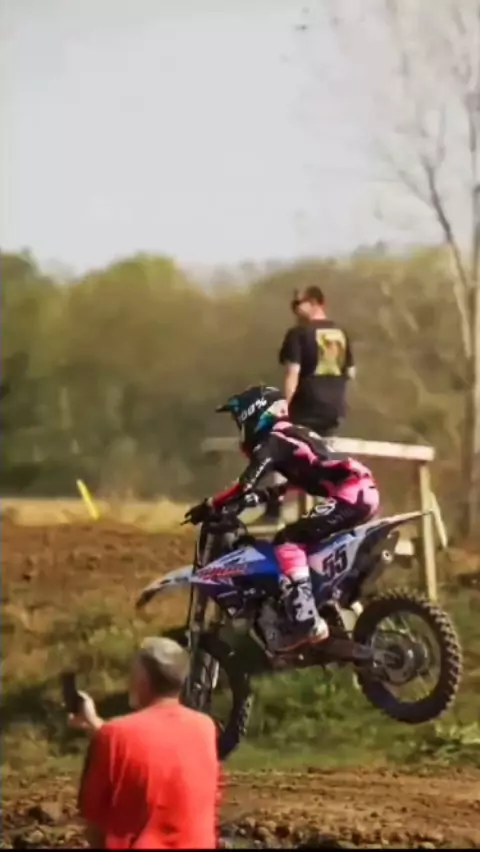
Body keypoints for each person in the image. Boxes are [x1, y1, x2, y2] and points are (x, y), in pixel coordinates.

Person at [187, 385, 379, 653]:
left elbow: (245, 483)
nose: (240, 429)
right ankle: (331, 609)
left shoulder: (274, 440)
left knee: (287, 540)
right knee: (309, 549)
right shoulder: (292, 435)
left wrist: (212, 504)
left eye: (240, 421)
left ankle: (305, 618)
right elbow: (306, 476)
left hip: (351, 493)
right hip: (360, 492)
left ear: (255, 414)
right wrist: (265, 495)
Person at [69, 637, 220, 849]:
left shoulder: (114, 735)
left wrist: (101, 734)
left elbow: (94, 824)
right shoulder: (205, 727)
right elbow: (159, 745)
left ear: (143, 678)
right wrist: (96, 724)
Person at [262, 285, 356, 524]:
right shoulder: (341, 333)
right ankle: (330, 510)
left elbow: (291, 374)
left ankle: (274, 508)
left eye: (297, 304)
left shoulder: (298, 334)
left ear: (315, 303)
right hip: (334, 409)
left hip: (306, 406)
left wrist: (284, 408)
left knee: (277, 445)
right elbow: (351, 373)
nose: (293, 309)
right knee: (321, 457)